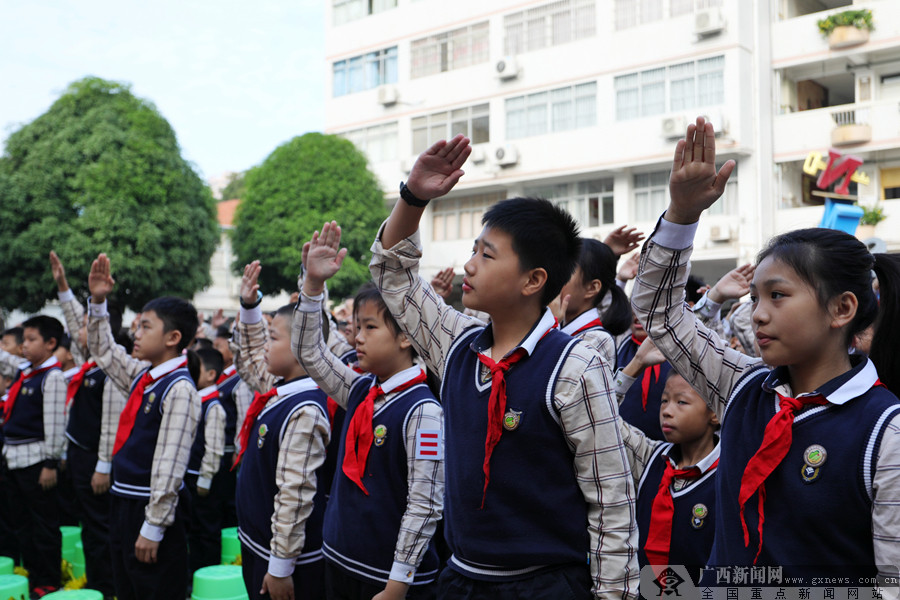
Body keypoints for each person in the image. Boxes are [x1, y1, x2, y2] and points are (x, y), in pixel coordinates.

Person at [632, 116, 900, 583]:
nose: (757, 314)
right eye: (754, 297)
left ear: (842, 309)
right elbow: (660, 314)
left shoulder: (885, 429)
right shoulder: (742, 387)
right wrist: (681, 216)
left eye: (778, 295)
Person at [370, 135, 639, 599]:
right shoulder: (457, 345)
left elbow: (612, 501)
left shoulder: (574, 365)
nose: (469, 266)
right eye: (474, 251)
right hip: (461, 579)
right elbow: (395, 276)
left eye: (486, 255)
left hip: (547, 586)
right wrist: (412, 198)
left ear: (534, 280)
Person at [294, 223, 444, 600]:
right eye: (357, 326)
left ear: (407, 335)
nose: (357, 337)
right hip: (342, 558)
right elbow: (310, 354)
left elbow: (424, 503)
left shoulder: (421, 409)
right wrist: (312, 287)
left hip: (388, 578)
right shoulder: (362, 388)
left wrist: (398, 582)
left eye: (370, 327)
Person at [86, 253, 201, 600]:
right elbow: (103, 351)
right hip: (125, 501)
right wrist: (98, 302)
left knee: (154, 588)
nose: (136, 334)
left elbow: (170, 464)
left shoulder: (180, 389)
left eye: (146, 327)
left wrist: (154, 526)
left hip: (150, 508)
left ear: (173, 337)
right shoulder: (144, 376)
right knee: (128, 587)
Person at [232, 261, 332, 600]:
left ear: (303, 346)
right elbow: (248, 361)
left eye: (272, 336)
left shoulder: (305, 408)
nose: (263, 344)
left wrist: (280, 566)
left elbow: (295, 493)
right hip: (260, 545)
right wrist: (249, 308)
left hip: (286, 562)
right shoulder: (279, 387)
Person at [616, 338, 719, 586]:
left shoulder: (730, 474)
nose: (667, 410)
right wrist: (636, 364)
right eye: (664, 400)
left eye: (681, 402)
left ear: (714, 413)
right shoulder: (651, 457)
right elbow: (600, 418)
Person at [51, 250, 120, 598]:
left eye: (86, 327)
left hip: (96, 459)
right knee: (90, 525)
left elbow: (111, 423)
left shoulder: (110, 369)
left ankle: (106, 588)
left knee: (99, 527)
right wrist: (63, 285)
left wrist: (103, 466)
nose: (78, 330)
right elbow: (74, 313)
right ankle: (95, 584)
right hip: (80, 455)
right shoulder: (88, 361)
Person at [0, 314, 67, 597]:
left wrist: (51, 463)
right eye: (23, 340)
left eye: (31, 340)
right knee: (22, 523)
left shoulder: (51, 377)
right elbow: (6, 359)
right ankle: (32, 573)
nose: (24, 346)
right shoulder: (27, 371)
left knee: (43, 525)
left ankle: (48, 580)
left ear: (51, 343)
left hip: (36, 461)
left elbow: (55, 426)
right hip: (13, 457)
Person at [186, 346, 229, 574]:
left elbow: (214, 448)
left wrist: (205, 477)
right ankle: (196, 572)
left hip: (205, 481)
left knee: (207, 529)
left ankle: (210, 573)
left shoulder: (213, 406)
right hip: (192, 476)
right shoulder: (197, 401)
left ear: (211, 375)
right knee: (195, 528)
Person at [556, 238, 632, 366]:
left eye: (566, 271)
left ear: (592, 288)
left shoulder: (598, 340)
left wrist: (551, 328)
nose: (555, 279)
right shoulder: (558, 324)